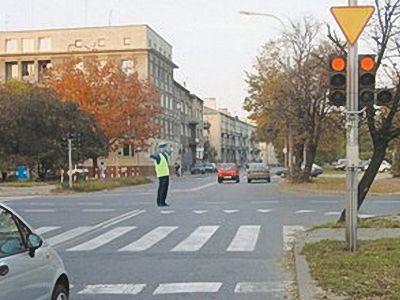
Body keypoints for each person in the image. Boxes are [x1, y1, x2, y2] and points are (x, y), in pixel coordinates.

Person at [150, 142, 171, 207]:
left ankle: (163, 202)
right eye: (162, 147)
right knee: (162, 189)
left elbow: (169, 153)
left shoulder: (165, 155)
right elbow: (153, 156)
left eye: (164, 147)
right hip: (161, 175)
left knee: (164, 189)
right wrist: (151, 154)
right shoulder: (158, 156)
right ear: (160, 148)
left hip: (166, 174)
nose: (164, 148)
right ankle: (160, 202)